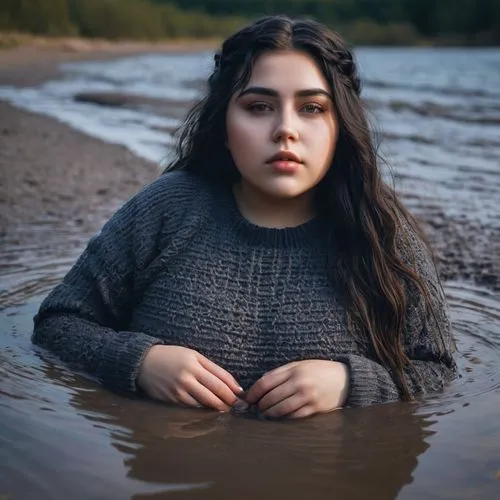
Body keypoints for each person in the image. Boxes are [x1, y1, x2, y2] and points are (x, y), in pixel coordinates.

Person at [32, 15, 457, 419]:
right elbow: (59, 323)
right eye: (258, 107)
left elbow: (438, 368)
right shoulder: (167, 208)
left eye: (311, 108)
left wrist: (350, 383)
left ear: (340, 126)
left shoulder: (381, 230)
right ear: (224, 124)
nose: (285, 130)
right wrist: (140, 362)